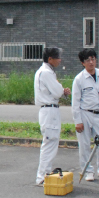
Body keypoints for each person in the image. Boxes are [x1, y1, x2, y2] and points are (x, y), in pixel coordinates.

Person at [71, 49, 99, 182]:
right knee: (84, 145)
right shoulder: (79, 79)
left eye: (93, 59)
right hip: (85, 113)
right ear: (82, 63)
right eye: (87, 60)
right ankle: (87, 170)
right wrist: (77, 121)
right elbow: (75, 102)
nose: (91, 62)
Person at [34, 47, 71, 185]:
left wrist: (61, 90)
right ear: (50, 59)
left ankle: (44, 174)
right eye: (58, 57)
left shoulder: (46, 72)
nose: (60, 60)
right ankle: (42, 177)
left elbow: (57, 90)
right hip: (49, 111)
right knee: (49, 144)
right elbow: (57, 92)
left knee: (50, 143)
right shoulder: (46, 73)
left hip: (49, 110)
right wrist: (63, 91)